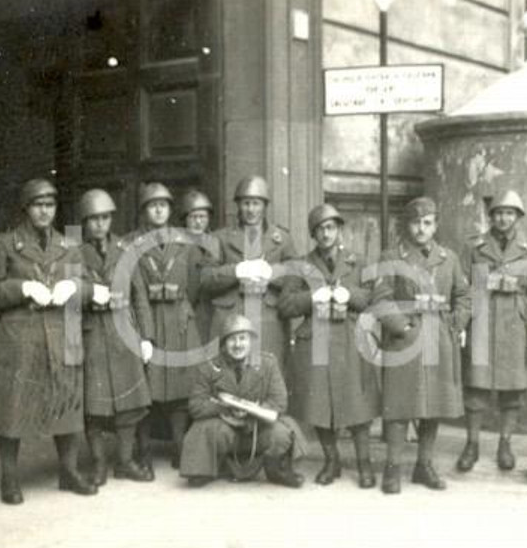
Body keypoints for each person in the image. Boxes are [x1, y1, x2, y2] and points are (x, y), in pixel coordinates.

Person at [0, 177, 97, 504]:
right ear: (26, 209)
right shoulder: (3, 244)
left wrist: (74, 288)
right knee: (12, 405)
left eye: (50, 205)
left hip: (61, 330)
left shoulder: (69, 245)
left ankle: (68, 472)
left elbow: (88, 286)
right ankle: (10, 479)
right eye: (38, 205)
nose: (45, 212)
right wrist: (22, 288)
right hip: (21, 332)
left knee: (67, 400)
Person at [372, 196, 471, 494]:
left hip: (439, 339)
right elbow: (380, 299)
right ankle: (392, 468)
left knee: (433, 405)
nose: (421, 229)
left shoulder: (448, 258)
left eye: (427, 223)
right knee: (400, 406)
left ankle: (423, 465)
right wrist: (401, 326)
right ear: (407, 225)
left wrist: (455, 324)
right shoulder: (392, 256)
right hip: (405, 340)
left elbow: (464, 296)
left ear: (435, 225)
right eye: (415, 223)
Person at [278, 203, 380, 488]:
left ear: (339, 230)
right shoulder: (301, 265)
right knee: (319, 405)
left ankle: (364, 463)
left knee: (358, 404)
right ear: (313, 234)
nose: (326, 234)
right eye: (320, 229)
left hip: (350, 339)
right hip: (317, 341)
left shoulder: (357, 262)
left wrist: (351, 295)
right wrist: (312, 297)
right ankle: (331, 460)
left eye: (331, 228)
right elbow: (285, 305)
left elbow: (374, 295)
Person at [457, 190, 527, 473]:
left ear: (518, 216)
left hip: (515, 325)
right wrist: (460, 325)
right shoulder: (474, 247)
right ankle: (471, 444)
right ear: (490, 216)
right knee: (475, 388)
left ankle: (504, 444)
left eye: (509, 213)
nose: (503, 218)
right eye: (498, 213)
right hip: (480, 322)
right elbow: (462, 289)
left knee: (513, 391)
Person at [77, 188, 155, 484]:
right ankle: (98, 463)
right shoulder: (74, 253)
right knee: (93, 406)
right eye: (94, 219)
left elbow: (140, 297)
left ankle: (124, 460)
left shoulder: (126, 250)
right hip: (92, 334)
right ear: (84, 222)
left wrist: (147, 337)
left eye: (105, 218)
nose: (100, 224)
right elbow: (71, 297)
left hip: (124, 333)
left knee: (132, 404)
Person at [123, 182, 201, 474]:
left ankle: (180, 447)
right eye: (152, 205)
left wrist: (181, 305)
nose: (158, 209)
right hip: (149, 317)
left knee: (181, 387)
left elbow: (194, 284)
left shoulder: (185, 241)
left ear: (170, 210)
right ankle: (142, 449)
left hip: (179, 319)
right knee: (146, 386)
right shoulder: (130, 242)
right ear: (144, 210)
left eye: (164, 205)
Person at [179, 314, 305, 488]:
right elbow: (195, 405)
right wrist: (225, 408)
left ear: (251, 341)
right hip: (225, 426)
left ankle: (277, 470)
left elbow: (279, 401)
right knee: (204, 428)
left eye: (242, 338)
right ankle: (204, 470)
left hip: (257, 428)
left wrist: (253, 410)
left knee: (281, 433)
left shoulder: (268, 363)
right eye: (232, 340)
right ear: (223, 344)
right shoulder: (209, 367)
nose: (238, 344)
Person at [201, 175, 297, 367]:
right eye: (246, 203)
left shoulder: (282, 239)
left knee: (268, 373)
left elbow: (296, 277)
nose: (251, 209)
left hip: (269, 318)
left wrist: (271, 273)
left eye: (256, 203)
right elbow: (206, 278)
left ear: (265, 205)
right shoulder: (219, 238)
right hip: (232, 317)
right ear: (238, 205)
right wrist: (237, 270)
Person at [178, 188, 219, 346]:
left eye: (202, 217)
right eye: (193, 217)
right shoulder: (177, 245)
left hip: (212, 309)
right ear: (185, 219)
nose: (198, 221)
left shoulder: (216, 242)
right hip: (188, 309)